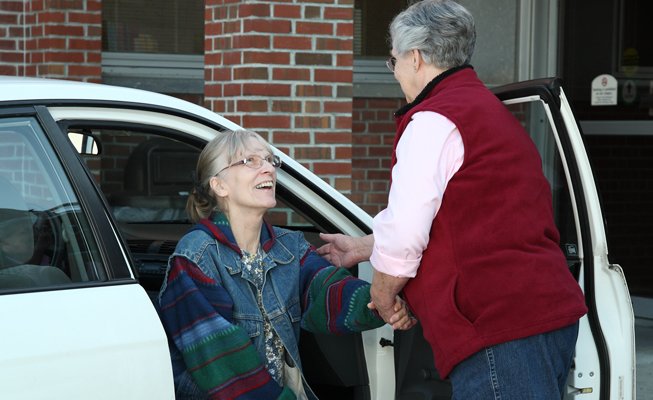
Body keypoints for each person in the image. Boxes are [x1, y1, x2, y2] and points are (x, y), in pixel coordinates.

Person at [317, 1, 588, 399]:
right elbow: (465, 221)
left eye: (392, 62)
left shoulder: (432, 121)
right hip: (546, 313)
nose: (395, 74)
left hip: (498, 327)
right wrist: (363, 247)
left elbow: (408, 234)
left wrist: (383, 294)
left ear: (415, 57)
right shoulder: (490, 113)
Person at [157, 129, 415, 400]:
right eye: (250, 161)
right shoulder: (195, 258)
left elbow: (326, 292)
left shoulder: (289, 246)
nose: (268, 168)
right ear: (220, 186)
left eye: (270, 160)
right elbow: (221, 360)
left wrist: (382, 302)